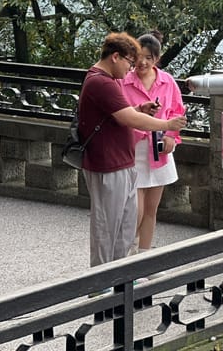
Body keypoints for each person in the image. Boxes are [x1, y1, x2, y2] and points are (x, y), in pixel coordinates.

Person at [78, 32, 187, 267]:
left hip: (122, 161)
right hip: (108, 163)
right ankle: (102, 278)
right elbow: (128, 118)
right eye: (130, 61)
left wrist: (140, 109)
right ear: (115, 57)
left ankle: (122, 273)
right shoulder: (102, 82)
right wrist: (166, 125)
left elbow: (123, 113)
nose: (132, 67)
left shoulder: (107, 80)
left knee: (124, 224)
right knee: (108, 226)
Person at [122, 31, 186, 254]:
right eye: (139, 56)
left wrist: (171, 136)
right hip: (134, 149)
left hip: (159, 150)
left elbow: (178, 111)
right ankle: (126, 253)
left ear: (157, 59)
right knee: (136, 210)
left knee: (151, 209)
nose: (142, 62)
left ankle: (144, 255)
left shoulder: (167, 81)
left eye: (148, 58)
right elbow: (121, 113)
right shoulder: (124, 81)